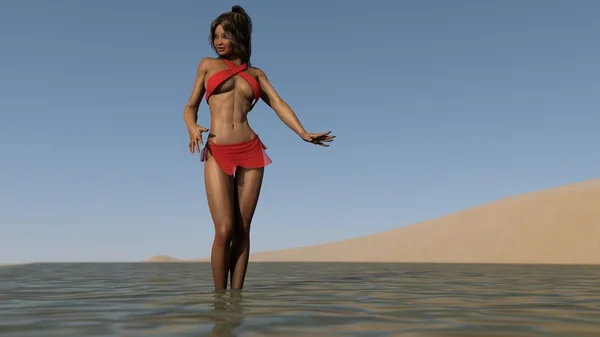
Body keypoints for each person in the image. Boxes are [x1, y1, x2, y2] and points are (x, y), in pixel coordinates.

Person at [183, 5, 335, 290]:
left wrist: (302, 133)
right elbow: (190, 106)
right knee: (224, 228)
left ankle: (236, 300)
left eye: (225, 36)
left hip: (251, 150)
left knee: (242, 230)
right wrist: (191, 125)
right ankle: (219, 301)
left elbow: (278, 103)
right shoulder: (207, 65)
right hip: (218, 151)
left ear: (239, 37)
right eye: (215, 36)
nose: (219, 41)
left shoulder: (256, 73)